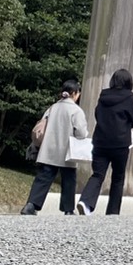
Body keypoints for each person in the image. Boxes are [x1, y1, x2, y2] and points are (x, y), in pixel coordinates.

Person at [77, 68, 133, 217]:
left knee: (98, 174)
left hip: (100, 142)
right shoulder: (129, 98)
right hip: (120, 143)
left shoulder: (103, 96)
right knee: (118, 177)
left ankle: (86, 202)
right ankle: (112, 212)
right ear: (128, 82)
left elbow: (98, 114)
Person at [21, 81, 88, 216]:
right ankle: (68, 209)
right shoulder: (76, 110)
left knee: (43, 178)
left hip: (48, 150)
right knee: (69, 180)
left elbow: (42, 125)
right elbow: (81, 133)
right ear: (74, 93)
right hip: (66, 151)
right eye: (78, 93)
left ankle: (31, 205)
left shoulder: (52, 107)